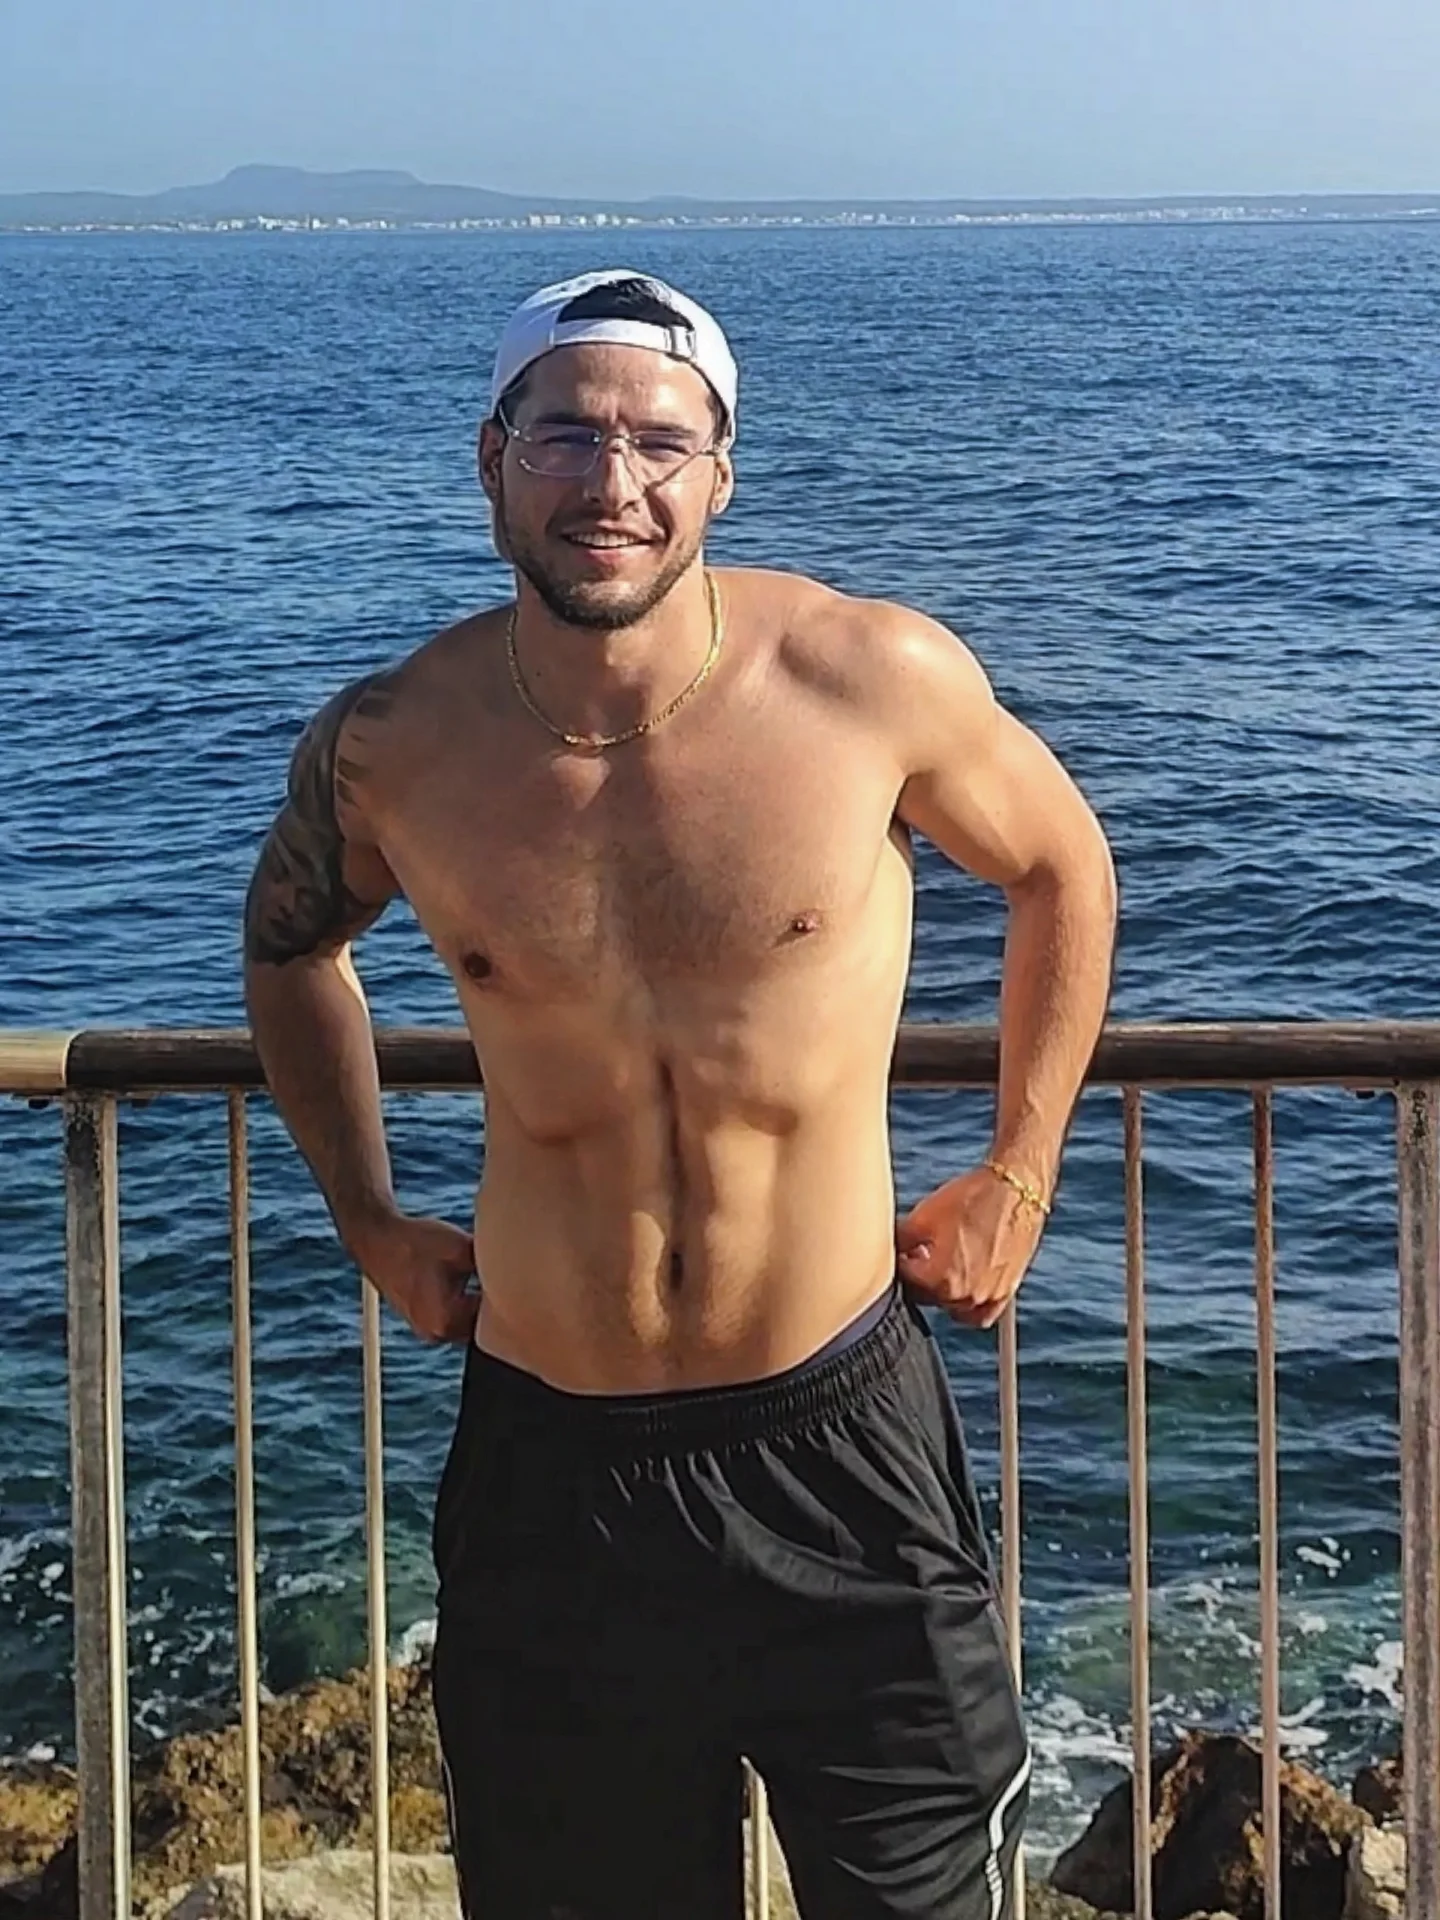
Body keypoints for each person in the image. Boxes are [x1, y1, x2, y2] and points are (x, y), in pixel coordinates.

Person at [243, 268, 1117, 1920]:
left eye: (659, 442)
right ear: (492, 459)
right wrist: (368, 1219)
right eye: (566, 436)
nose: (613, 482)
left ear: (722, 474)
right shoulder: (394, 745)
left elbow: (1062, 867)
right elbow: (291, 951)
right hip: (551, 1460)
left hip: (837, 1430)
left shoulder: (869, 678)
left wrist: (1020, 1166)